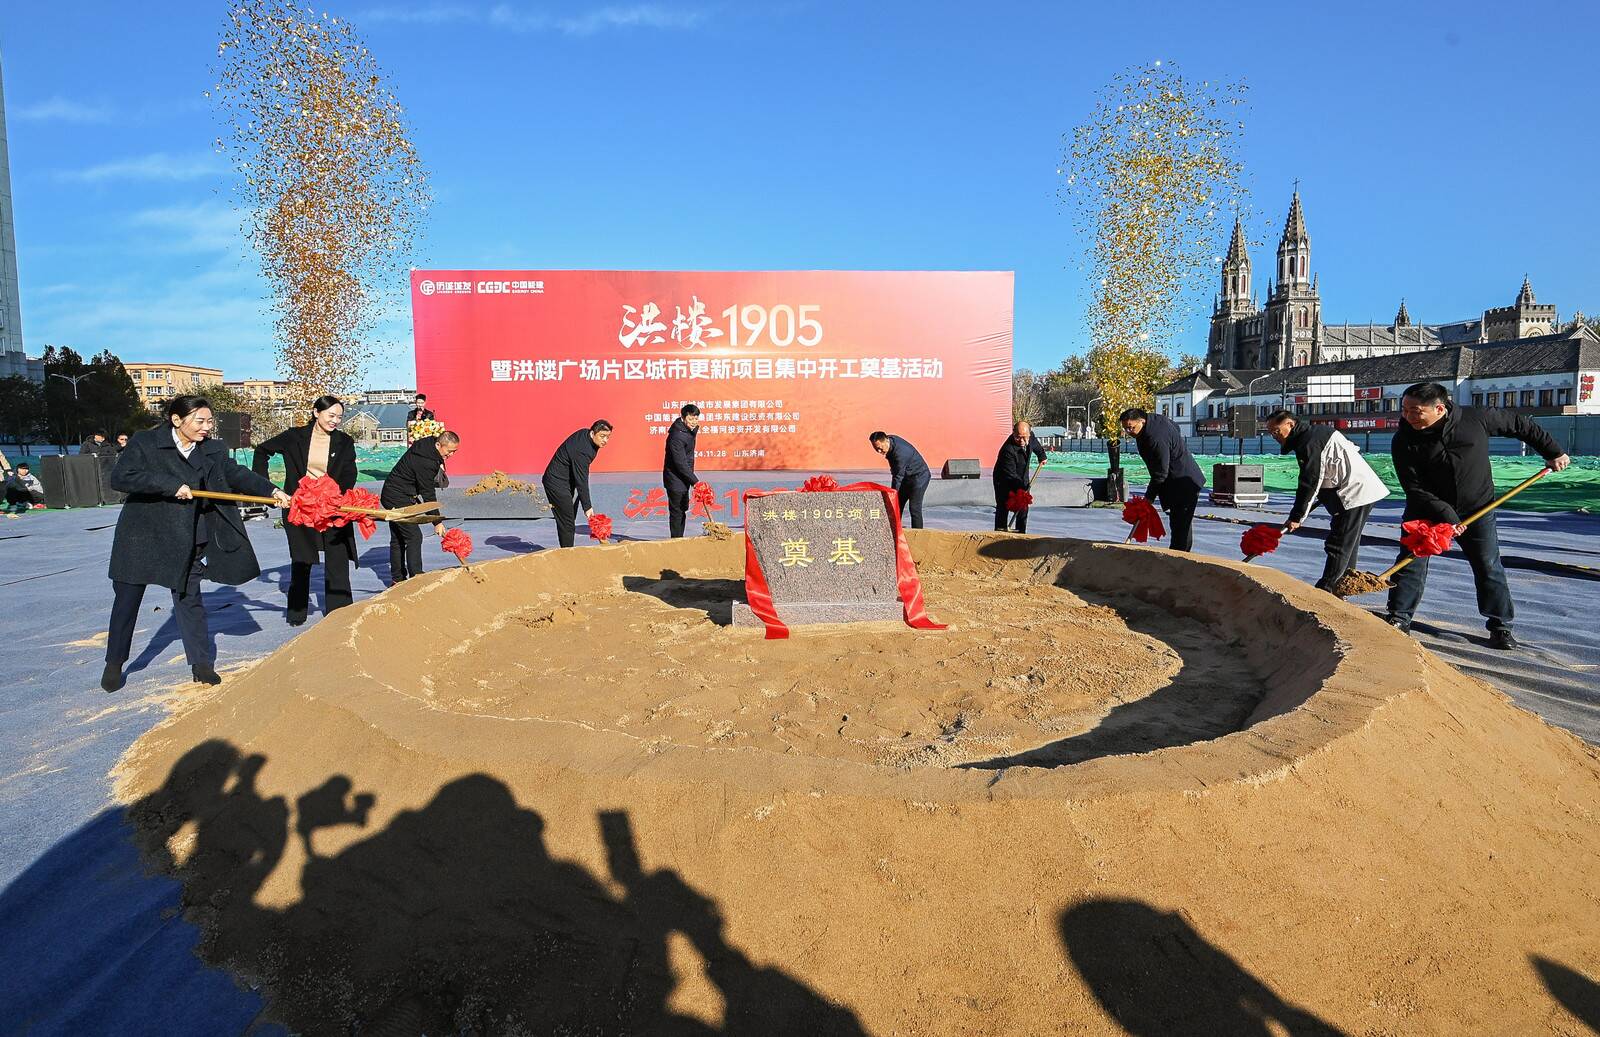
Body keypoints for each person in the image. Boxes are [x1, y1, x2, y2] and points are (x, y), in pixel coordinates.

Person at [101, 395, 292, 693]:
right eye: (200, 421)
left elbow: (236, 474)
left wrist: (271, 490)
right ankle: (114, 663)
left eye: (209, 421)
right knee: (127, 602)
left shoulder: (212, 449)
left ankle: (201, 664)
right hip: (142, 536)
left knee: (190, 601)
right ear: (177, 420)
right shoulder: (145, 442)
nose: (206, 427)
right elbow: (122, 477)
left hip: (187, 536)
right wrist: (170, 486)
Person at [1385, 381, 1569, 649]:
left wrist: (1553, 451)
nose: (1408, 416)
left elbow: (1521, 425)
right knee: (1411, 563)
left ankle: (1500, 626)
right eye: (1404, 410)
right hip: (1426, 511)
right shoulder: (1404, 439)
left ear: (1439, 408)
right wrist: (1448, 517)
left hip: (1478, 509)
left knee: (1488, 566)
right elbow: (1414, 487)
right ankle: (1399, 618)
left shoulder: (1476, 419)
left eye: (1415, 411)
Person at [253, 396, 360, 625]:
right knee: (302, 559)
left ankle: (340, 615)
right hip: (301, 505)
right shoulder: (295, 437)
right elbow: (262, 450)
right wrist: (268, 488)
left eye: (339, 417)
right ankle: (297, 613)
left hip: (331, 507)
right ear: (316, 412)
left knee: (338, 559)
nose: (335, 421)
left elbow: (350, 472)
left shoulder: (344, 441)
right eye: (331, 415)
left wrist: (336, 495)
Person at [1265, 410, 1389, 591]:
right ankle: (1343, 585)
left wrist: (1297, 516)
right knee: (1348, 542)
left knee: (1339, 543)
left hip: (1354, 492)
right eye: (1270, 433)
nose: (1274, 436)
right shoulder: (1313, 434)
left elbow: (1310, 481)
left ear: (1290, 424)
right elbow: (1328, 468)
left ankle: (1327, 591)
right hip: (1351, 489)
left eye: (1276, 431)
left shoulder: (1309, 441)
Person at [1120, 408, 1206, 552]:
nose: (1128, 432)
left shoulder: (1156, 437)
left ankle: (1179, 557)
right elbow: (1176, 427)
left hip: (1183, 482)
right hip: (1174, 481)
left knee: (1180, 525)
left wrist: (1149, 498)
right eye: (1125, 429)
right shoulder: (1153, 421)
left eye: (1131, 427)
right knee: (1179, 523)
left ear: (1142, 421)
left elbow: (1160, 472)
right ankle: (1180, 553)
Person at [380, 431, 458, 584]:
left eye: (454, 451)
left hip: (397, 493)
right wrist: (437, 521)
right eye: (449, 451)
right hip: (396, 497)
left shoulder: (427, 447)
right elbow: (428, 494)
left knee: (398, 537)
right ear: (438, 445)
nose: (451, 455)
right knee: (414, 536)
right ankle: (416, 578)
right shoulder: (425, 461)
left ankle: (397, 579)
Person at [542, 420, 612, 548]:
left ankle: (566, 550)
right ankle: (568, 554)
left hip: (568, 481)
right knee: (567, 523)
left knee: (569, 518)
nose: (605, 440)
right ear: (593, 433)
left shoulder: (586, 435)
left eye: (608, 437)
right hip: (556, 482)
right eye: (602, 436)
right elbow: (582, 480)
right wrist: (587, 507)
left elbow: (578, 477)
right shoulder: (583, 451)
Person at [994, 421, 1048, 533]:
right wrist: (1021, 490)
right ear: (1013, 433)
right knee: (1004, 505)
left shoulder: (1030, 437)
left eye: (1024, 437)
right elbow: (1011, 475)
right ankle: (1000, 531)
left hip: (1022, 476)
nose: (1021, 441)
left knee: (1023, 506)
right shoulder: (1007, 450)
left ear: (1029, 434)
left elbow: (1037, 447)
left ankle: (1021, 532)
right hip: (1004, 479)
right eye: (1018, 437)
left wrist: (1042, 456)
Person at [870, 431, 932, 529]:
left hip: (919, 477)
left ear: (886, 441)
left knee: (914, 508)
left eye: (880, 448)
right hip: (907, 477)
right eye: (876, 448)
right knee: (897, 504)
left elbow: (898, 477)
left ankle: (918, 533)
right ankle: (894, 529)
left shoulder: (900, 453)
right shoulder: (890, 442)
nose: (879, 451)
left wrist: (893, 494)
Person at [662, 404, 699, 538]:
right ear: (683, 418)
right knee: (677, 512)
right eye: (691, 418)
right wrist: (696, 482)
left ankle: (679, 539)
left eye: (696, 418)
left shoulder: (688, 431)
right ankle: (676, 541)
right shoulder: (677, 436)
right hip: (675, 479)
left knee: (682, 509)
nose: (694, 421)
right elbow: (680, 463)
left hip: (683, 478)